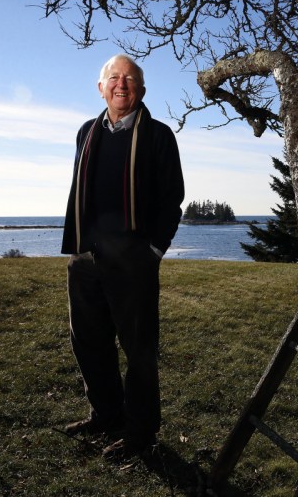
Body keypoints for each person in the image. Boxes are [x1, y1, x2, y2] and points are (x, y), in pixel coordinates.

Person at [60, 54, 184, 460]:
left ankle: (140, 433)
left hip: (133, 263)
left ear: (142, 90)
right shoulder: (86, 132)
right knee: (89, 344)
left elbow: (172, 201)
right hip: (86, 261)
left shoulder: (159, 136)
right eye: (114, 78)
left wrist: (151, 252)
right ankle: (107, 415)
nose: (122, 84)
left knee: (139, 352)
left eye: (130, 79)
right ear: (101, 87)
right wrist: (79, 250)